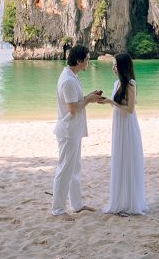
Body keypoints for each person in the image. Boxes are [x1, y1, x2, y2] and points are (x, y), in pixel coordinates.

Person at [51, 44, 105, 217]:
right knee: (64, 169)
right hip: (68, 131)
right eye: (87, 59)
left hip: (74, 130)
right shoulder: (67, 80)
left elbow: (75, 102)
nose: (89, 62)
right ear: (80, 60)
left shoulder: (72, 76)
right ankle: (58, 209)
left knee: (74, 168)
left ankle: (77, 204)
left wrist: (90, 96)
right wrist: (89, 99)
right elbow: (73, 109)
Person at [103, 53, 148, 216]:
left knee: (128, 160)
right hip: (119, 125)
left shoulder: (130, 84)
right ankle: (120, 200)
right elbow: (117, 106)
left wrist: (110, 102)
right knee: (119, 159)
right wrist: (109, 102)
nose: (113, 68)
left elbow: (129, 110)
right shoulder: (117, 84)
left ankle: (130, 202)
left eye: (115, 65)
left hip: (128, 126)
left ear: (122, 67)